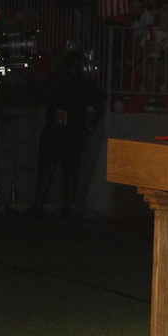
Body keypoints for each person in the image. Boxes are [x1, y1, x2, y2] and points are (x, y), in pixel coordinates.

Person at [30, 52, 105, 216]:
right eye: (70, 64)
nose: (73, 68)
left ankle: (67, 208)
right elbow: (41, 96)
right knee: (46, 169)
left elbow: (99, 107)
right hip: (53, 130)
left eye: (76, 65)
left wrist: (88, 128)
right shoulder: (55, 80)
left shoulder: (85, 84)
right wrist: (58, 77)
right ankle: (38, 206)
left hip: (73, 132)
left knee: (70, 171)